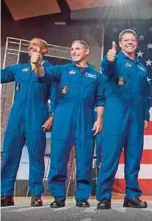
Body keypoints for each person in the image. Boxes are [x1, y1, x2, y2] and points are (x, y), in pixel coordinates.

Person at [34, 40, 105, 208]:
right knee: (58, 157)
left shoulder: (96, 76)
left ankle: (82, 197)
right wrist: (37, 65)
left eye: (77, 48)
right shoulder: (62, 70)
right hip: (63, 118)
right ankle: (58, 197)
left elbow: (101, 99)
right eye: (71, 49)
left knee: (85, 158)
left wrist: (99, 119)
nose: (73, 51)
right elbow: (42, 74)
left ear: (86, 51)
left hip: (86, 118)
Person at [96, 29, 151, 209]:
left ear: (136, 43)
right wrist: (108, 59)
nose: (129, 42)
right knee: (110, 156)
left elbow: (145, 94)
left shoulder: (142, 67)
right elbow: (106, 68)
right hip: (115, 116)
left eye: (132, 40)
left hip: (136, 119)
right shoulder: (115, 61)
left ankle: (132, 196)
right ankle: (104, 197)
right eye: (126, 40)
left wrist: (146, 115)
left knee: (134, 157)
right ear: (120, 44)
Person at [1, 38, 55, 207]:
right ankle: (5, 193)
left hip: (37, 117)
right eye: (29, 46)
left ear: (44, 49)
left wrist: (52, 115)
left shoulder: (51, 71)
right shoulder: (19, 69)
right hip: (17, 117)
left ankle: (36, 194)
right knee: (9, 155)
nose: (31, 47)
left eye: (35, 45)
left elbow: (55, 95)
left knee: (36, 157)